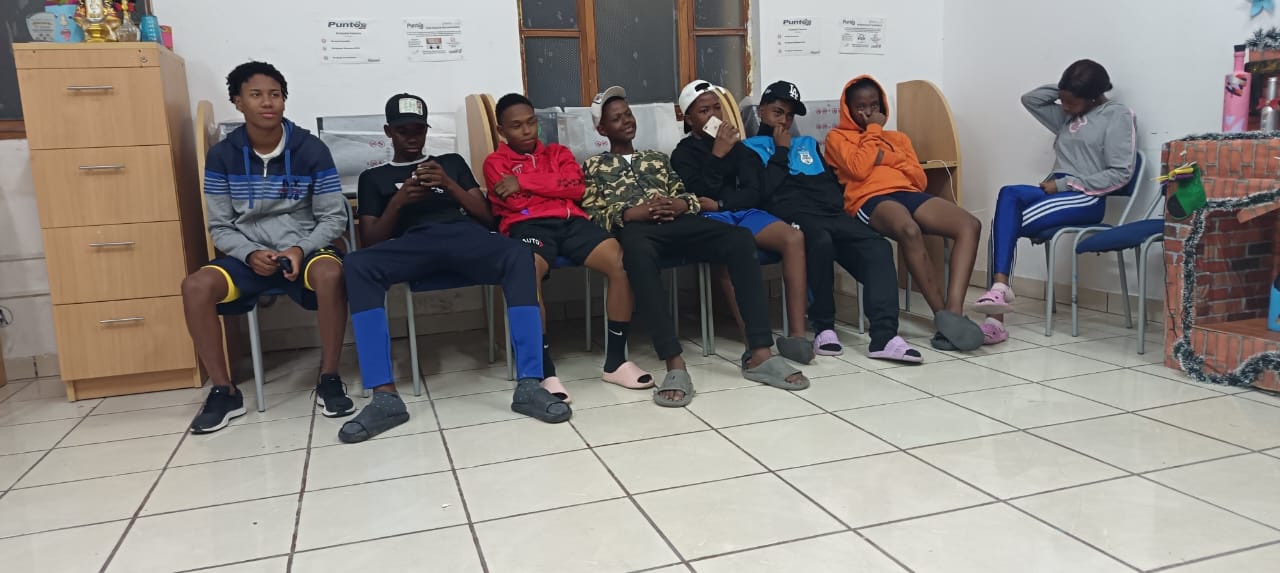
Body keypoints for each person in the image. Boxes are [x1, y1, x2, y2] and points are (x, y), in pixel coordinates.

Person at [338, 93, 569, 443]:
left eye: (418, 129)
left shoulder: (450, 162)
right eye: (402, 131)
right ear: (388, 132)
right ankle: (384, 398)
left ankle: (529, 383)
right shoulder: (374, 178)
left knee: (519, 255)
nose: (412, 137)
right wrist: (398, 201)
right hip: (414, 243)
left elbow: (487, 217)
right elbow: (370, 239)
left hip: (465, 237)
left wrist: (448, 183)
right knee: (356, 264)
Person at [582, 86, 809, 407]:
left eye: (628, 114)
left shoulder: (656, 159)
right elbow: (593, 212)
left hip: (678, 221)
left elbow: (686, 193)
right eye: (616, 119)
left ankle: (759, 353)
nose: (626, 121)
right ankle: (674, 363)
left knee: (738, 238)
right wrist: (632, 213)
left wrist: (680, 204)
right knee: (636, 254)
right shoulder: (594, 166)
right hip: (637, 228)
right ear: (602, 129)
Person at [185, 61, 354, 434]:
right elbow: (219, 226)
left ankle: (329, 378)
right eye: (256, 95)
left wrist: (300, 249)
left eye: (275, 95)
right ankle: (224, 391)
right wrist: (248, 253)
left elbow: (332, 218)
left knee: (331, 273)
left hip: (304, 252)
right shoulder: (222, 156)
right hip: (248, 256)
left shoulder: (311, 150)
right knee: (195, 286)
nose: (267, 103)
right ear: (237, 102)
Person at [484, 93, 652, 399]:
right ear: (501, 131)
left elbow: (575, 188)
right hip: (528, 225)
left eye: (531, 122)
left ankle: (616, 361)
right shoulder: (495, 163)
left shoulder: (558, 152)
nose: (527, 131)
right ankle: (544, 371)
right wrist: (550, 185)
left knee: (622, 262)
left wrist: (524, 182)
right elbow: (516, 202)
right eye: (517, 126)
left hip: (572, 221)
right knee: (526, 273)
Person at [744, 80, 924, 363]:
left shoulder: (808, 144)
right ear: (761, 111)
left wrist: (832, 205)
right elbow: (762, 193)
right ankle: (824, 327)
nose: (784, 121)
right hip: (791, 217)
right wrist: (780, 151)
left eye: (790, 116)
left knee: (877, 247)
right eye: (778, 112)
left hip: (830, 213)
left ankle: (884, 337)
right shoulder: (749, 149)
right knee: (819, 240)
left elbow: (830, 185)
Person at [970, 59, 1137, 342]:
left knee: (1006, 228)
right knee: (1009, 193)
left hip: (1084, 196)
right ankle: (999, 293)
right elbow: (1031, 99)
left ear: (1093, 96)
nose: (1065, 107)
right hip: (1055, 191)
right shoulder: (1068, 116)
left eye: (1072, 102)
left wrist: (1063, 185)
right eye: (1063, 100)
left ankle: (995, 316)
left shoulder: (1117, 116)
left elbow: (1120, 174)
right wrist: (1064, 89)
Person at [825, 76, 985, 351]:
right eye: (860, 107)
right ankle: (941, 316)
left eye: (874, 106)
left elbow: (918, 178)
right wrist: (874, 130)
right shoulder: (837, 138)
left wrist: (885, 157)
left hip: (907, 193)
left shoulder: (898, 138)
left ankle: (954, 313)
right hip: (867, 199)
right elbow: (859, 169)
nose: (868, 112)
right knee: (908, 229)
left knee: (969, 224)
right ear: (848, 109)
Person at [670, 80, 813, 364]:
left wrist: (723, 203)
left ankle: (797, 336)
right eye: (704, 111)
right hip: (709, 218)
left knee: (794, 237)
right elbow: (697, 194)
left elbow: (754, 193)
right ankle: (754, 341)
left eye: (717, 108)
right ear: (689, 119)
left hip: (741, 210)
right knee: (734, 246)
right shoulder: (682, 154)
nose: (714, 116)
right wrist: (717, 154)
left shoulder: (742, 149)